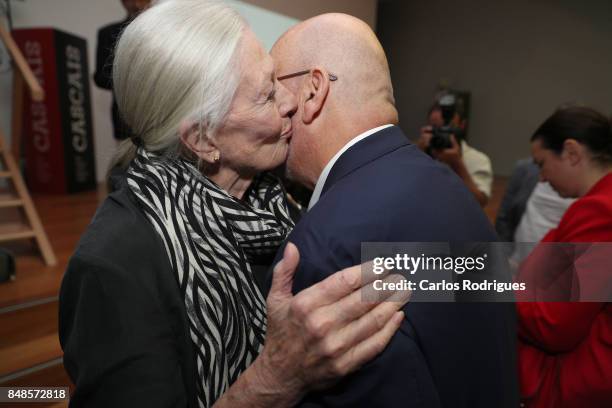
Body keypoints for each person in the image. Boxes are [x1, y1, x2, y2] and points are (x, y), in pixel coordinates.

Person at [60, 2, 410, 407]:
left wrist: (466, 269)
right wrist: (276, 377)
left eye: (277, 79)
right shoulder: (114, 266)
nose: (290, 102)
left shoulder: (283, 196)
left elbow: (408, 273)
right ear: (203, 140)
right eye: (266, 95)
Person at [270, 13, 518, 407]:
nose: (272, 113)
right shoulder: (448, 187)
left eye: (273, 90)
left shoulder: (324, 244)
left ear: (313, 91)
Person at [516, 106, 612, 407]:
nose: (542, 178)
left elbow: (555, 325)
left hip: (582, 380)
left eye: (542, 163)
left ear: (571, 152)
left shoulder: (601, 209)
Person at [94, 0, 151, 140]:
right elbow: (100, 78)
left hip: (165, 113)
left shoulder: (167, 30)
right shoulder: (108, 33)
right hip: (126, 118)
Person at [416, 103, 493, 206]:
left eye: (447, 127)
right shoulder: (420, 155)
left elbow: (480, 203)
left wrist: (457, 164)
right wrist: (417, 154)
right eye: (436, 128)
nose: (441, 134)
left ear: (462, 125)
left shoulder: (479, 160)